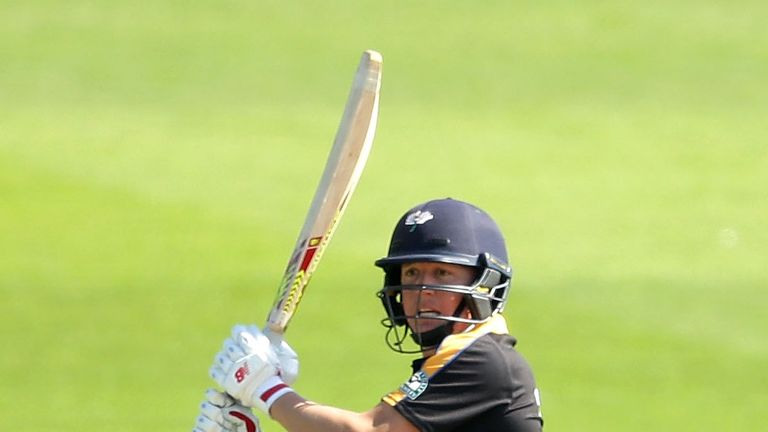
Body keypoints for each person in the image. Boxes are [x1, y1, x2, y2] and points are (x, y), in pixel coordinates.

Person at [194, 198, 543, 432]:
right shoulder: (451, 364)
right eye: (411, 274)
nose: (422, 290)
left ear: (484, 284)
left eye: (442, 274)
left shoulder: (485, 361)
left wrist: (267, 391)